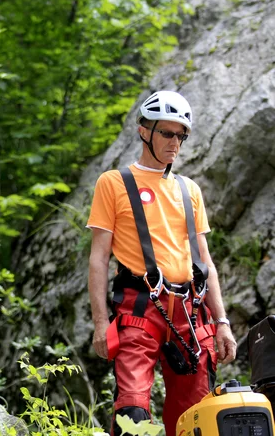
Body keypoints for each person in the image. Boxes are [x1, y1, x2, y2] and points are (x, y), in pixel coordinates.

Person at [86, 91, 237, 435]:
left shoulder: (189, 190)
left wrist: (222, 321)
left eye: (181, 135)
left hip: (191, 312)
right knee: (133, 411)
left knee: (195, 416)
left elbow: (206, 262)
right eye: (167, 133)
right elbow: (98, 259)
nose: (175, 143)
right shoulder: (113, 183)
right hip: (138, 308)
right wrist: (99, 323)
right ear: (143, 130)